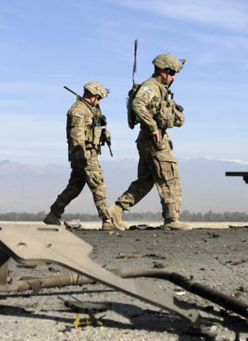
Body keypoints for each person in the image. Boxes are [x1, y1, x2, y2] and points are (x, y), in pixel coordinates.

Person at [108, 53, 191, 231]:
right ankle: (171, 219)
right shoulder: (151, 87)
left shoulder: (159, 88)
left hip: (149, 139)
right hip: (154, 140)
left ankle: (116, 210)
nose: (173, 77)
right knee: (170, 178)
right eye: (171, 72)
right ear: (162, 70)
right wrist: (153, 126)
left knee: (146, 180)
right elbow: (138, 104)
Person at [44, 81, 121, 231]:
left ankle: (53, 214)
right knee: (98, 185)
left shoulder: (90, 110)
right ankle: (107, 220)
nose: (98, 101)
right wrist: (81, 155)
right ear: (91, 94)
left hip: (87, 153)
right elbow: (76, 134)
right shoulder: (79, 111)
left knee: (74, 187)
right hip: (84, 154)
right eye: (98, 98)